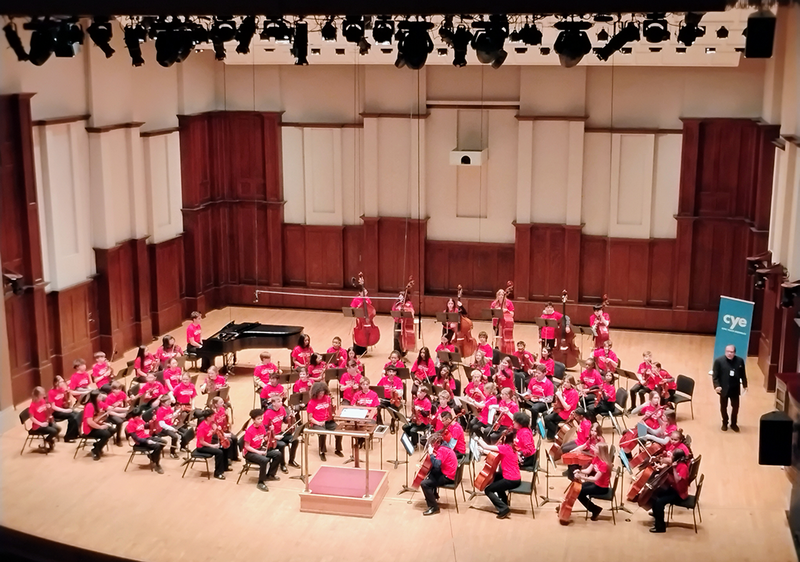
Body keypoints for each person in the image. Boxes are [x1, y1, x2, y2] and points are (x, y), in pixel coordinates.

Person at [477, 431, 521, 519]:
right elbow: (494, 453)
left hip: (510, 480)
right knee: (496, 477)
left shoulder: (505, 448)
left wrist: (478, 439)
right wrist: (483, 451)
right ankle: (504, 501)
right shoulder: (513, 448)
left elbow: (486, 446)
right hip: (516, 477)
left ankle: (504, 509)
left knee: (488, 490)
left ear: (504, 439)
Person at [649, 448, 691, 533]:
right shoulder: (676, 463)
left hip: (679, 493)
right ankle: (657, 515)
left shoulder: (683, 467)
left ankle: (660, 527)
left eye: (672, 455)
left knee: (659, 502)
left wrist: (674, 469)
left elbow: (677, 480)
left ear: (677, 458)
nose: (670, 456)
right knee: (654, 494)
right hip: (674, 488)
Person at [572, 442, 614, 521]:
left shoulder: (604, 464)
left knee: (579, 493)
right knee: (578, 487)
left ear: (601, 451)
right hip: (596, 484)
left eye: (596, 448)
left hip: (601, 488)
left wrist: (580, 476)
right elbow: (588, 471)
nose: (593, 449)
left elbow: (595, 478)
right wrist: (579, 470)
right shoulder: (596, 458)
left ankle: (595, 510)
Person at [243, 408, 282, 492]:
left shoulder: (261, 427)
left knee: (278, 454)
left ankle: (270, 475)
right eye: (258, 419)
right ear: (253, 420)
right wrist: (259, 452)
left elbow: (265, 438)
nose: (261, 420)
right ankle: (261, 482)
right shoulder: (249, 431)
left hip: (259, 449)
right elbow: (247, 446)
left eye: (261, 418)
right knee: (264, 460)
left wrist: (271, 432)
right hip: (250, 452)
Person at [420, 432, 458, 516]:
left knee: (424, 484)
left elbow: (437, 465)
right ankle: (434, 495)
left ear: (437, 442)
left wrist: (431, 454)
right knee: (432, 472)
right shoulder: (445, 446)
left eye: (432, 444)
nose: (432, 446)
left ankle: (434, 507)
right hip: (449, 472)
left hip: (448, 476)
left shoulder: (442, 450)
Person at [712, 344, 747, 432]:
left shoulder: (740, 361)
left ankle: (734, 423)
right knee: (723, 407)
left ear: (734, 353)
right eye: (727, 351)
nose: (729, 354)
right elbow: (715, 376)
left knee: (735, 407)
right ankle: (724, 422)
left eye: (731, 352)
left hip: (735, 389)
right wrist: (717, 386)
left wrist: (745, 385)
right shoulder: (719, 361)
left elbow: (743, 374)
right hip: (723, 389)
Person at [306, 381, 342, 461]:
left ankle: (338, 449)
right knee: (323, 433)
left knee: (339, 431)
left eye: (323, 393)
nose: (321, 395)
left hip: (328, 421)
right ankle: (322, 452)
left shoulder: (327, 398)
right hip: (317, 423)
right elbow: (310, 418)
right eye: (320, 393)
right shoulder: (311, 402)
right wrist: (318, 422)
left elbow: (330, 410)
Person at [124, 406, 165, 474]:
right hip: (140, 442)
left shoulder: (139, 419)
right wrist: (147, 441)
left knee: (163, 442)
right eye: (139, 416)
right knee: (157, 446)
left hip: (146, 437)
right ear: (135, 416)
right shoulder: (130, 424)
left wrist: (152, 422)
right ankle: (157, 464)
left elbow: (145, 426)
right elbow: (136, 438)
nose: (140, 417)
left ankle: (152, 457)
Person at [264, 395, 299, 471]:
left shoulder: (282, 409)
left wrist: (290, 417)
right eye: (279, 401)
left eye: (281, 401)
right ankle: (282, 464)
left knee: (295, 440)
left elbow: (285, 420)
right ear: (273, 403)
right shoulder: (267, 414)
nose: (281, 403)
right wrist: (274, 437)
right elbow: (264, 430)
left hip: (281, 433)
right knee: (282, 445)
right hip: (272, 437)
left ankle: (291, 460)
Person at [194, 409, 229, 480]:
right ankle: (218, 473)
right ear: (208, 417)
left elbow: (211, 432)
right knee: (219, 452)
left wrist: (217, 430)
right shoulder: (201, 428)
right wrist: (213, 446)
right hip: (202, 447)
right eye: (213, 416)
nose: (214, 416)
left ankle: (224, 467)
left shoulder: (210, 423)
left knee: (223, 447)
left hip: (208, 443)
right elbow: (202, 442)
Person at [82, 390, 114, 461]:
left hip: (96, 424)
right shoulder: (89, 406)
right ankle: (96, 450)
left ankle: (97, 446)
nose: (101, 397)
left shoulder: (98, 403)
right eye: (99, 396)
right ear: (95, 398)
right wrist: (101, 427)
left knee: (112, 430)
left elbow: (107, 408)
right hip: (89, 429)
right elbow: (89, 422)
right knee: (106, 434)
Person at [48, 376, 80, 442]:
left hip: (62, 409)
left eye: (63, 381)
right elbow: (53, 407)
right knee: (72, 416)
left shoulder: (62, 390)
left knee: (77, 414)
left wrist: (67, 402)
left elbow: (66, 401)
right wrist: (65, 411)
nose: (63, 383)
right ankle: (68, 437)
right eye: (61, 382)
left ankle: (75, 434)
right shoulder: (51, 392)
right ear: (56, 383)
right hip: (55, 412)